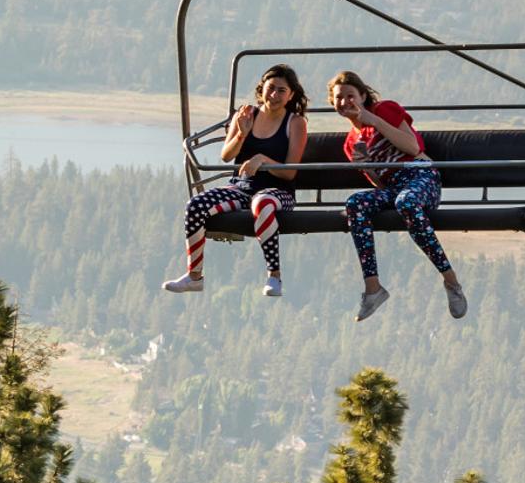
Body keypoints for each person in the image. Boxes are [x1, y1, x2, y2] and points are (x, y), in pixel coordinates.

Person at [327, 70, 466, 322]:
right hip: (392, 187)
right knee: (354, 204)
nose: (345, 102)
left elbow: (413, 147)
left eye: (350, 96)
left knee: (407, 203)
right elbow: (380, 183)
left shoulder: (384, 110)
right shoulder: (351, 143)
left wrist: (374, 121)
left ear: (362, 96)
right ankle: (373, 288)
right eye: (339, 98)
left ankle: (451, 280)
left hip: (419, 176)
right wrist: (366, 166)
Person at [166, 64, 307, 298]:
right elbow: (227, 155)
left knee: (262, 203)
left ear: (291, 95)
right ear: (262, 89)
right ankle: (194, 275)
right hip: (242, 188)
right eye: (271, 89)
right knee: (196, 206)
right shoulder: (245, 115)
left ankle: (274, 274)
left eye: (282, 91)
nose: (274, 95)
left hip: (278, 192)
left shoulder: (295, 123)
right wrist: (241, 133)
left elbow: (289, 173)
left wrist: (262, 160)